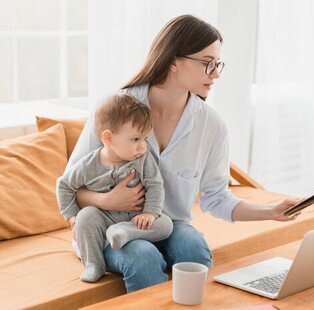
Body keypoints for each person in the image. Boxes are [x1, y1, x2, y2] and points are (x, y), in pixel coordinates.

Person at [67, 14, 301, 292]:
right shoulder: (114, 109)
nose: (215, 74)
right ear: (173, 61)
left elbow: (216, 197)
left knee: (193, 247)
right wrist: (107, 199)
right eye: (207, 63)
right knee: (143, 257)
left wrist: (270, 211)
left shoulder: (211, 125)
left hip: (167, 226)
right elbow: (70, 186)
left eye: (218, 64)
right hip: (108, 228)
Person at [57, 93, 173, 283]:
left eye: (145, 139)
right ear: (108, 138)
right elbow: (64, 186)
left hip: (135, 220)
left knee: (166, 224)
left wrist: (150, 213)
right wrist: (71, 217)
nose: (143, 147)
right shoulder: (87, 165)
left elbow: (155, 184)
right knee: (86, 217)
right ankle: (93, 264)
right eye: (136, 139)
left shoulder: (143, 159)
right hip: (103, 219)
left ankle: (125, 232)